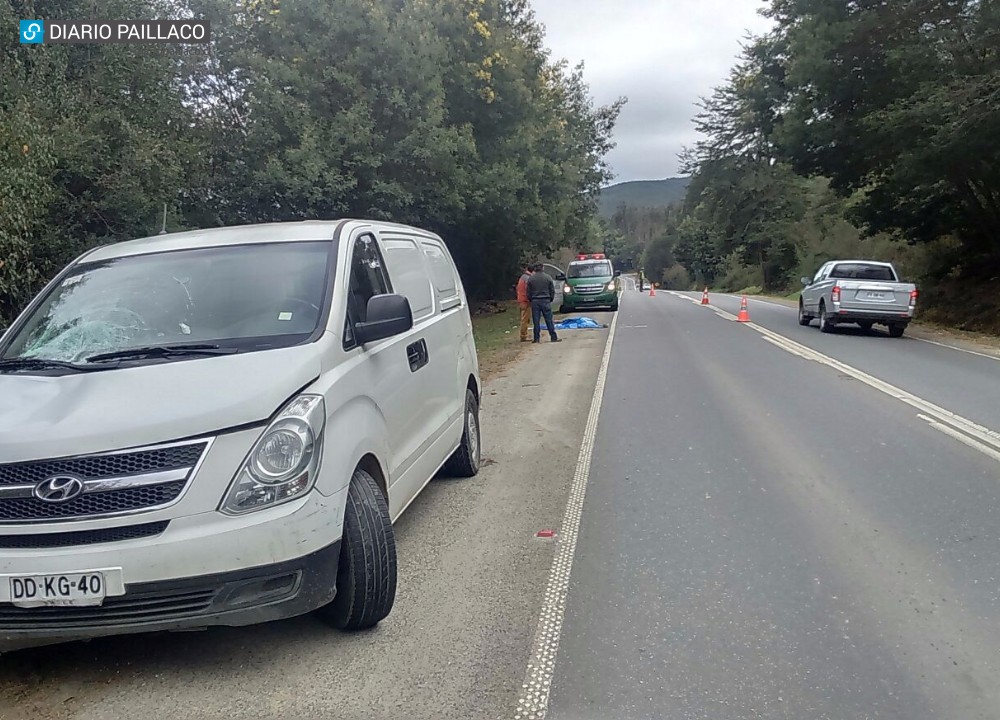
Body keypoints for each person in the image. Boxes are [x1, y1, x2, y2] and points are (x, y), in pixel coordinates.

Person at [526, 262, 560, 343]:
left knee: (536, 321)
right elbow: (552, 290)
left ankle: (536, 338)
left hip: (535, 301)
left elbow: (528, 292)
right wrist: (550, 299)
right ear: (543, 268)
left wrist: (531, 299)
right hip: (546, 300)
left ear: (535, 269)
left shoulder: (531, 279)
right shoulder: (548, 278)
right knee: (549, 320)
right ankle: (553, 337)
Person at [516, 264, 533, 342]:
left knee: (525, 318)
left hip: (522, 299)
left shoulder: (523, 277)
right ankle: (523, 336)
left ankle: (524, 334)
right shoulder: (528, 278)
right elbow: (528, 290)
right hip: (525, 301)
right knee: (525, 319)